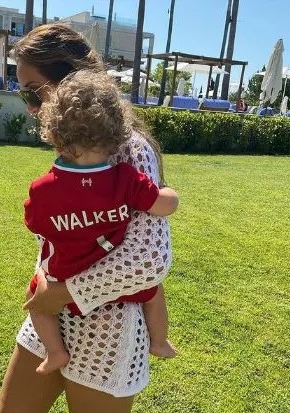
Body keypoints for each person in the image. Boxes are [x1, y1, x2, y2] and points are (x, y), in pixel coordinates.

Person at [0, 23, 176, 413]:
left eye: (32, 91)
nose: (28, 105)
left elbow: (150, 260)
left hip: (108, 330)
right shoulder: (70, 143)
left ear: (69, 81)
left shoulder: (129, 148)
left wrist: (60, 293)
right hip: (48, 322)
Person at [24, 70, 178, 375]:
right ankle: (159, 341)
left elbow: (34, 223)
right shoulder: (125, 178)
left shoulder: (42, 189)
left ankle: (55, 351)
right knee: (154, 290)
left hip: (62, 279)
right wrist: (169, 192)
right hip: (115, 283)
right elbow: (164, 205)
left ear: (55, 137)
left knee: (34, 300)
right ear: (116, 138)